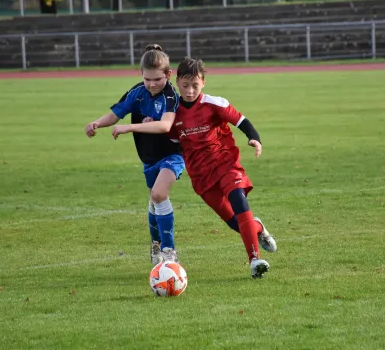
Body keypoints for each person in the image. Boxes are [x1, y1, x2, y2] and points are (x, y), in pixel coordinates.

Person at [112, 58, 277, 279]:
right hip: (201, 178)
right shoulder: (173, 114)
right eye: (186, 85)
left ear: (203, 83)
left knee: (239, 200)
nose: (190, 91)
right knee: (235, 222)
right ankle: (257, 227)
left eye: (195, 86)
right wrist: (148, 123)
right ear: (177, 82)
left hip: (225, 164)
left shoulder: (214, 103)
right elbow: (169, 138)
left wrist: (255, 139)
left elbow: (242, 121)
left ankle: (254, 261)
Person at [84, 44, 184, 265]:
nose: (151, 84)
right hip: (149, 157)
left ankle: (169, 251)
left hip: (172, 154)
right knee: (153, 201)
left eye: (157, 79)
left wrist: (129, 128)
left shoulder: (170, 95)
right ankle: (156, 244)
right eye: (147, 79)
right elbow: (115, 114)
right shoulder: (137, 93)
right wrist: (96, 123)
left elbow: (165, 126)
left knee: (159, 194)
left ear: (168, 74)